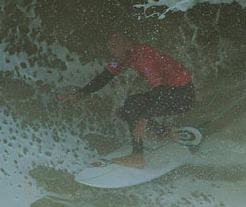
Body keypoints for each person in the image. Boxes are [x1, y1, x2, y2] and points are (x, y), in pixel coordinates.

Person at [59, 31, 195, 168]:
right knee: (124, 112)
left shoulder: (144, 58)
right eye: (110, 47)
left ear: (127, 44)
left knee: (133, 106)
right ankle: (164, 133)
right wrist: (81, 93)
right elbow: (105, 77)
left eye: (114, 46)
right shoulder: (124, 55)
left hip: (182, 96)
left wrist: (144, 118)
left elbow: (159, 92)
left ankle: (137, 157)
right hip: (169, 91)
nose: (112, 51)